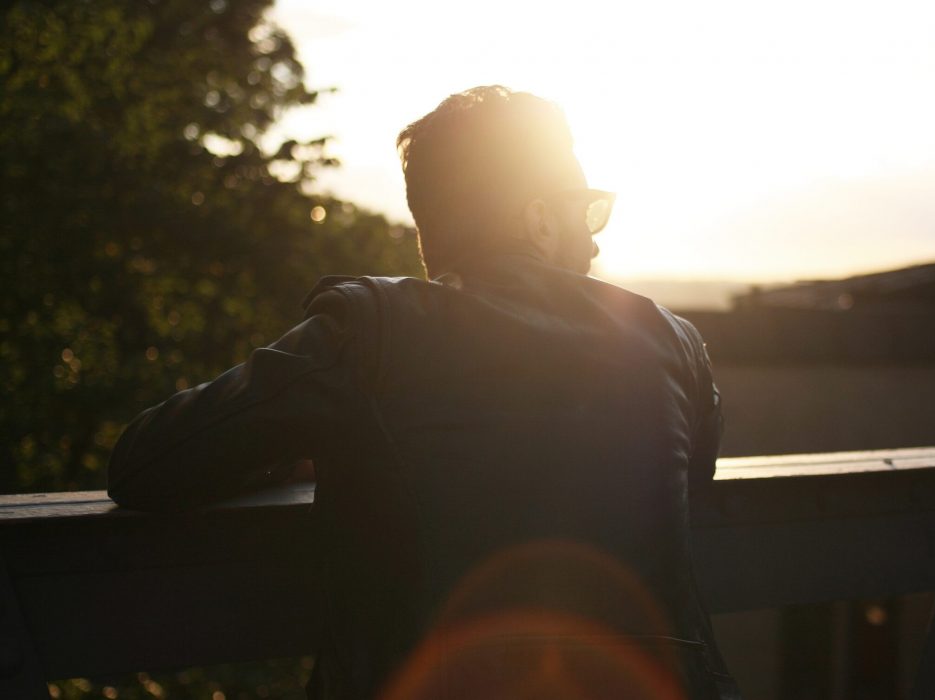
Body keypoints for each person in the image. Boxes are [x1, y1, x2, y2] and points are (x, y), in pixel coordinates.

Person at [108, 85, 739, 700]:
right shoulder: (670, 340)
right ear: (539, 218)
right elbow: (690, 481)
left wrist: (298, 450)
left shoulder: (376, 331)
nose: (596, 237)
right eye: (586, 210)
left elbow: (147, 463)